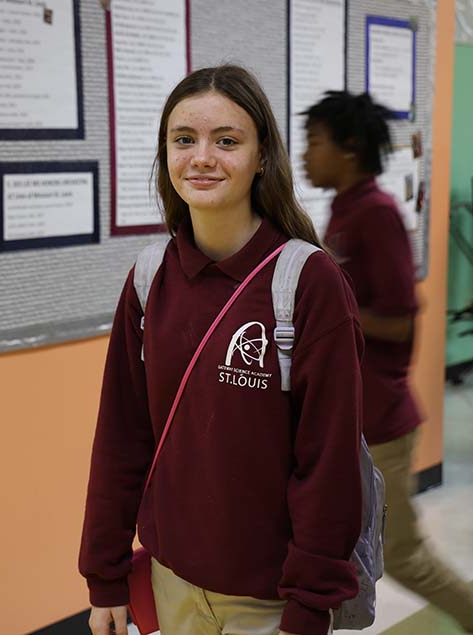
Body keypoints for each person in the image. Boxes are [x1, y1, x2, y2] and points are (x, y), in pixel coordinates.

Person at [79, 65, 365, 635]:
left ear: (262, 157)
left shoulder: (307, 283)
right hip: (170, 586)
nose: (202, 157)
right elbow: (121, 436)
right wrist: (104, 574)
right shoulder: (148, 279)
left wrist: (309, 607)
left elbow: (328, 464)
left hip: (271, 601)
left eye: (227, 141)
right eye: (184, 139)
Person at [302, 90, 473, 635]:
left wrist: (328, 312)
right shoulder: (342, 209)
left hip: (381, 423)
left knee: (402, 554)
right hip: (343, 420)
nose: (304, 155)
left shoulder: (377, 214)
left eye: (314, 142)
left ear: (348, 149)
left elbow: (401, 322)